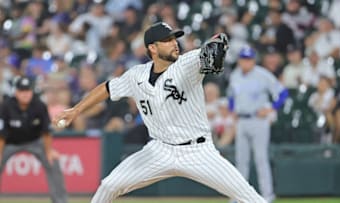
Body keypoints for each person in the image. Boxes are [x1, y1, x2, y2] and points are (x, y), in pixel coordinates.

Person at [54, 22, 266, 203]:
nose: (175, 43)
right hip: (159, 151)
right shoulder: (136, 75)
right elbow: (108, 88)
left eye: (175, 39)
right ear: (152, 48)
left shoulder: (186, 64)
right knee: (108, 186)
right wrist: (76, 110)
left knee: (247, 196)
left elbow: (210, 49)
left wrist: (218, 41)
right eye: (167, 40)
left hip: (198, 151)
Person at [228, 47, 289, 203]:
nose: (246, 61)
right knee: (241, 161)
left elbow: (282, 93)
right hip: (241, 120)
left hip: (258, 120)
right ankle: (238, 196)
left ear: (254, 60)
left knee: (261, 159)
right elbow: (231, 96)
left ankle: (267, 195)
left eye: (249, 59)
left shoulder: (262, 74)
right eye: (243, 58)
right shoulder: (235, 75)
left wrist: (271, 108)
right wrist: (231, 109)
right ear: (240, 60)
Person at [0, 76, 68, 203]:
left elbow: (46, 131)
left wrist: (49, 152)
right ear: (16, 92)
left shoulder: (39, 105)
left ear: (32, 92)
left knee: (53, 160)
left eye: (28, 91)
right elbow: (1, 134)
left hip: (35, 141)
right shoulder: (6, 105)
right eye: (22, 91)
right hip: (9, 142)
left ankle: (60, 201)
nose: (25, 94)